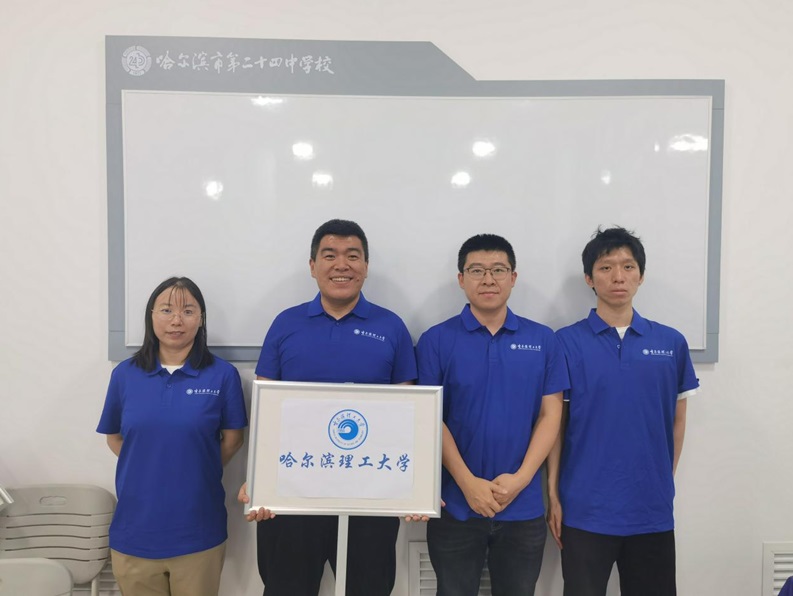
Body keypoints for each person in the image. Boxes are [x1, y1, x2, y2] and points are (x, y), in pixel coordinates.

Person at [238, 219, 418, 596]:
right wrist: (258, 477)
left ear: (365, 266)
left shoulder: (391, 327)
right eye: (330, 255)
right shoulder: (285, 324)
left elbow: (405, 418)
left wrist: (413, 487)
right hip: (292, 493)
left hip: (369, 494)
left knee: (369, 588)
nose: (341, 265)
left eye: (352, 256)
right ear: (312, 265)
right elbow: (267, 411)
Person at [547, 226, 700, 596]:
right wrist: (553, 495)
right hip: (585, 508)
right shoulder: (565, 342)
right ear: (589, 278)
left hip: (651, 510)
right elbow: (555, 426)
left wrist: (661, 480)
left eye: (628, 267)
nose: (618, 276)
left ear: (641, 276)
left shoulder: (671, 343)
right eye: (606, 267)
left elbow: (677, 421)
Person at [415, 233, 568, 596]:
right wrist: (468, 484)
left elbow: (551, 416)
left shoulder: (543, 340)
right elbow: (430, 417)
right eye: (477, 270)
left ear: (513, 278)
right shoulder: (436, 340)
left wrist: (520, 480)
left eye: (498, 270)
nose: (488, 279)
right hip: (455, 505)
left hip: (522, 505)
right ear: (461, 279)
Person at [97, 276, 248, 596]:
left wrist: (195, 465)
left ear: (201, 319)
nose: (177, 320)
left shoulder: (223, 375)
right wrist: (149, 465)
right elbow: (114, 437)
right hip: (134, 531)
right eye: (166, 310)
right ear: (151, 316)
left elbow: (234, 439)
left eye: (188, 311)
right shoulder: (124, 375)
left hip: (198, 530)